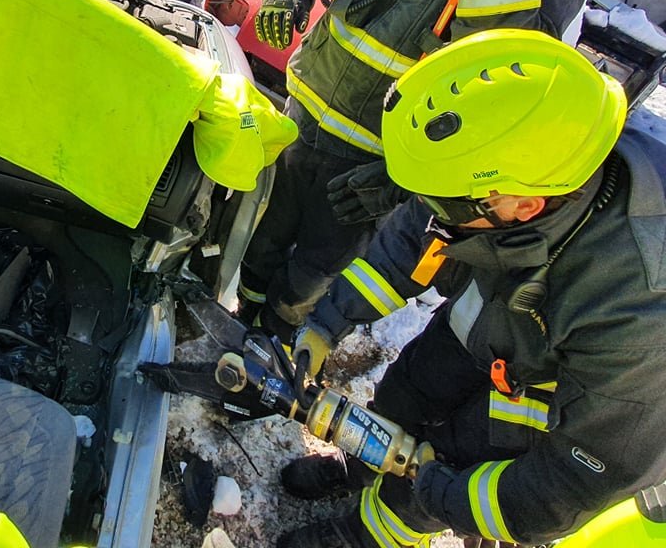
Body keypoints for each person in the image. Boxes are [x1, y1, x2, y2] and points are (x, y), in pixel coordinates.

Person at [275, 27, 666, 548]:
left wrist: (442, 493)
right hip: (481, 330)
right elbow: (418, 235)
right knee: (404, 394)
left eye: (442, 205)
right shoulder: (530, 161)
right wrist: (328, 321)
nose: (428, 213)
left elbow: (573, 483)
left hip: (543, 403)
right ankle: (361, 469)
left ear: (522, 207)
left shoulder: (641, 317)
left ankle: (366, 535)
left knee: (442, 472)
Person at [238, 0, 628, 339]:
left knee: (315, 268)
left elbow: (505, 70)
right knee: (261, 236)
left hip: (379, 159)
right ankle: (241, 312)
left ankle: (273, 336)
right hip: (306, 107)